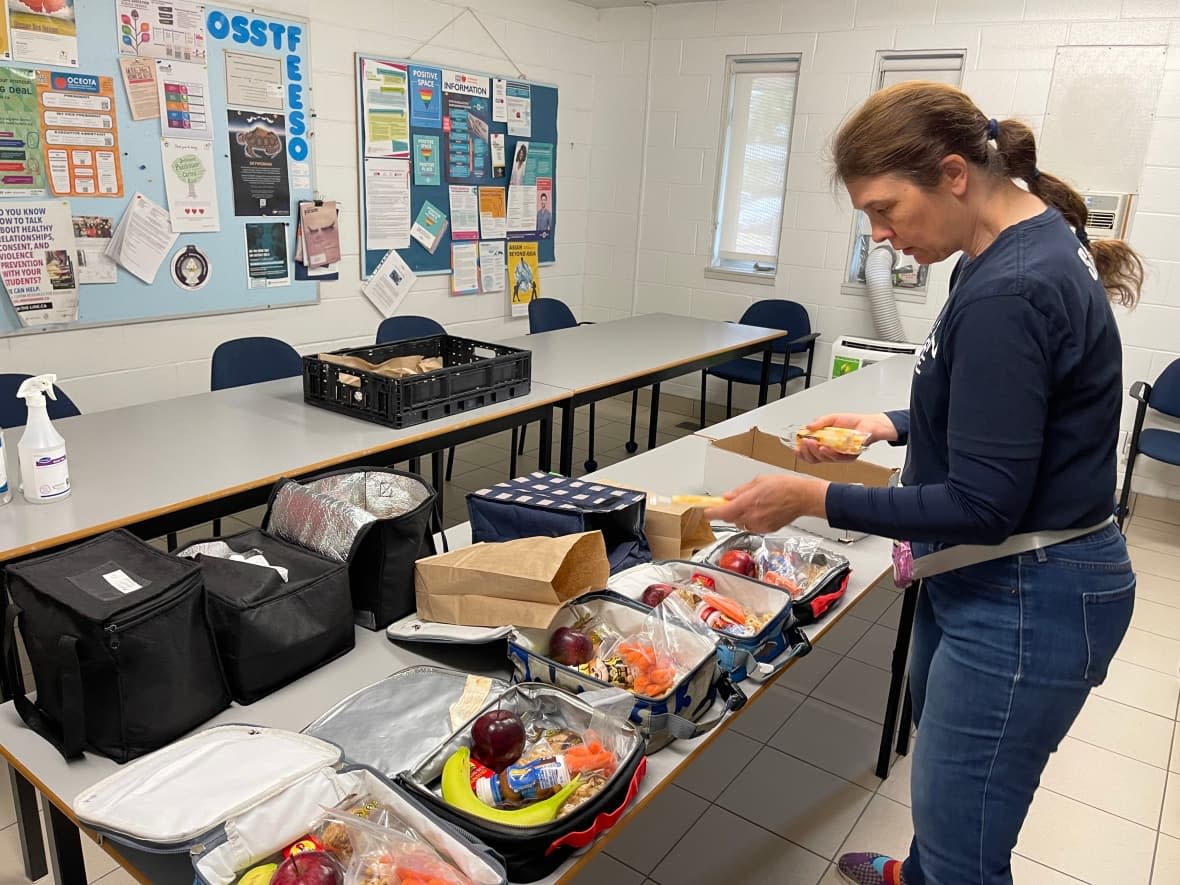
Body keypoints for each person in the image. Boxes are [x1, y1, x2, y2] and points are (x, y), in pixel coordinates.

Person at [706, 81, 1142, 885]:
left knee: (968, 843)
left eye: (884, 209)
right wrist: (894, 425)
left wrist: (808, 497)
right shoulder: (1003, 247)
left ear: (952, 174)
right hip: (992, 577)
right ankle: (921, 870)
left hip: (1028, 592)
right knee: (947, 796)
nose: (880, 235)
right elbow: (1005, 399)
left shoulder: (1011, 286)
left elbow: (983, 503)